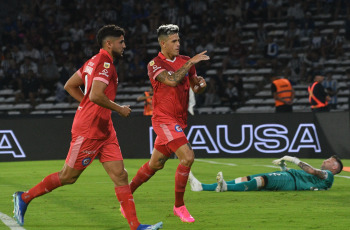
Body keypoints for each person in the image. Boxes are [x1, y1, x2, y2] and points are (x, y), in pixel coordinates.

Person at [12, 25, 162, 230]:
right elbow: (95, 95)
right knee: (68, 177)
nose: (124, 45)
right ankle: (25, 197)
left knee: (120, 175)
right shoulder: (105, 64)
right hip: (89, 130)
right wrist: (118, 109)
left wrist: (88, 105)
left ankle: (136, 226)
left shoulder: (93, 61)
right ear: (109, 44)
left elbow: (70, 85)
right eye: (121, 42)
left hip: (104, 128)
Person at [123, 24, 209, 223]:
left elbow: (195, 86)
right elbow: (172, 81)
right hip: (163, 119)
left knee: (156, 164)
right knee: (187, 157)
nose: (178, 44)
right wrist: (190, 64)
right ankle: (179, 206)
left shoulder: (186, 61)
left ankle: (126, 195)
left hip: (179, 119)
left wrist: (201, 85)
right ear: (163, 43)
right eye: (174, 41)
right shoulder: (154, 64)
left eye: (179, 40)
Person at [189, 155, 343, 192]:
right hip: (290, 177)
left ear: (334, 168)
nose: (326, 160)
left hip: (290, 182)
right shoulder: (322, 178)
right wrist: (284, 167)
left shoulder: (328, 175)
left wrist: (292, 159)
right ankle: (202, 187)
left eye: (330, 160)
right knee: (249, 178)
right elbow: (308, 175)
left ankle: (225, 187)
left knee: (261, 180)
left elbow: (311, 171)